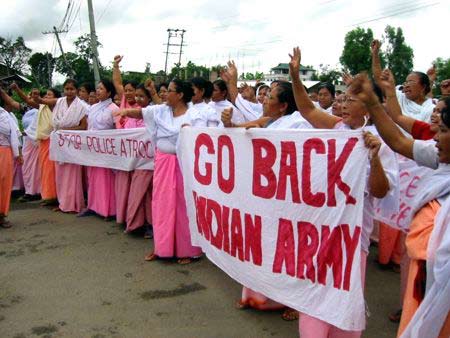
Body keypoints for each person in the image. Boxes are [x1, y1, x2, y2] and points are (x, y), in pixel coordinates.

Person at [289, 47, 398, 338]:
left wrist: (373, 157)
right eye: (344, 97)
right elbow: (308, 109)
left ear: (370, 106)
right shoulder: (337, 128)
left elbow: (381, 191)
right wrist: (295, 75)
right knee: (313, 296)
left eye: (353, 99)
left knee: (343, 301)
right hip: (320, 230)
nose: (343, 103)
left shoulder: (381, 142)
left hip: (353, 236)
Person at [348, 73, 450, 338]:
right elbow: (399, 141)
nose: (434, 136)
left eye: (443, 130)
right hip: (427, 275)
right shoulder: (439, 156)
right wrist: (372, 101)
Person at [221, 81, 310, 321]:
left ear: (283, 106)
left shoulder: (299, 124)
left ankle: (293, 302)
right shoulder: (269, 121)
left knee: (289, 250)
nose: (263, 99)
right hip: (266, 196)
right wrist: (229, 124)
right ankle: (257, 296)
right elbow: (242, 128)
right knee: (263, 244)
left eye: (269, 96)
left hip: (290, 198)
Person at [114, 79, 205, 264]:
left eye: (170, 90)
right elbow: (140, 112)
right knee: (161, 204)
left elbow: (201, 139)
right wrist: (124, 111)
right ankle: (162, 248)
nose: (165, 94)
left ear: (180, 95)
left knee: (183, 205)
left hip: (184, 164)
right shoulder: (161, 110)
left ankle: (186, 250)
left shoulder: (195, 114)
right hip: (163, 162)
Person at [13, 85, 61, 206]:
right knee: (45, 170)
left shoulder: (54, 105)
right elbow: (28, 101)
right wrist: (18, 89)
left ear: (56, 98)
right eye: (46, 95)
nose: (47, 97)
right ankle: (48, 196)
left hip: (52, 141)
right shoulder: (42, 106)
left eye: (50, 95)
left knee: (50, 171)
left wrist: (37, 97)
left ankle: (53, 196)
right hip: (43, 141)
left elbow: (35, 100)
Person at [79, 79, 119, 220]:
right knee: (93, 177)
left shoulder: (114, 109)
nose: (98, 91)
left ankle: (109, 210)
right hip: (93, 149)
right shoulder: (93, 107)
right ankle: (93, 206)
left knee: (106, 179)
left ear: (109, 92)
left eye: (101, 88)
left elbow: (118, 130)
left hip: (107, 150)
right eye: (97, 88)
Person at [48, 79, 88, 213]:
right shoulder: (59, 102)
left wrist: (66, 131)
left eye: (72, 89)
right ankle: (63, 203)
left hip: (72, 144)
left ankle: (73, 204)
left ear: (76, 90)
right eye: (67, 89)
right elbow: (41, 102)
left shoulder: (81, 106)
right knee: (60, 175)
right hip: (59, 143)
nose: (69, 91)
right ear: (63, 90)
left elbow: (83, 126)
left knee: (72, 176)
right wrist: (36, 98)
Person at [371, 40, 434, 122]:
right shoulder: (399, 97)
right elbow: (378, 78)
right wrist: (375, 53)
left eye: (411, 82)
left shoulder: (431, 109)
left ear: (423, 87)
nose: (406, 85)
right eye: (406, 82)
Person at [112, 55, 142, 227]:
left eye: (133, 91)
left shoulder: (142, 108)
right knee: (123, 185)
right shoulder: (124, 102)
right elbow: (117, 83)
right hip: (122, 154)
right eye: (128, 90)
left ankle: (135, 219)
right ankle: (123, 216)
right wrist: (116, 66)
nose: (129, 93)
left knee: (136, 188)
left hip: (138, 156)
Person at [0, 106, 22, 228]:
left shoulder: (6, 115)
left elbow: (14, 135)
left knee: (4, 184)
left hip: (4, 152)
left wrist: (19, 154)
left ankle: (1, 215)